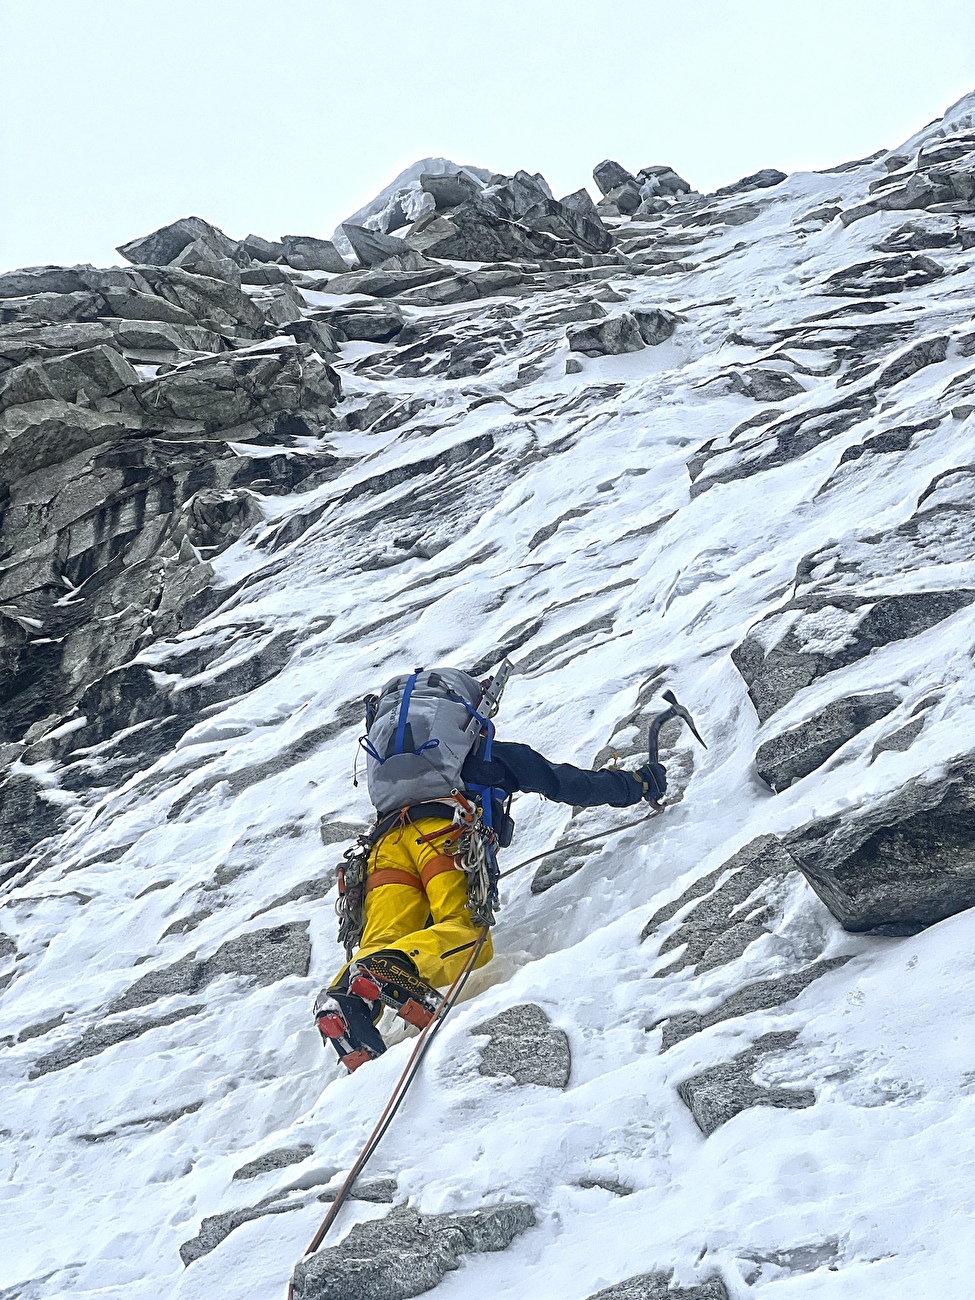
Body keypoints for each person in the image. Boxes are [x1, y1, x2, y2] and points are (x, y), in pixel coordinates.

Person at [313, 665, 666, 1072]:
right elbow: (565, 782)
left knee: (385, 937)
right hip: (446, 838)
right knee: (467, 935)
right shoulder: (485, 756)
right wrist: (637, 785)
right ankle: (390, 969)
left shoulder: (392, 774)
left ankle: (344, 1001)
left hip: (383, 850)